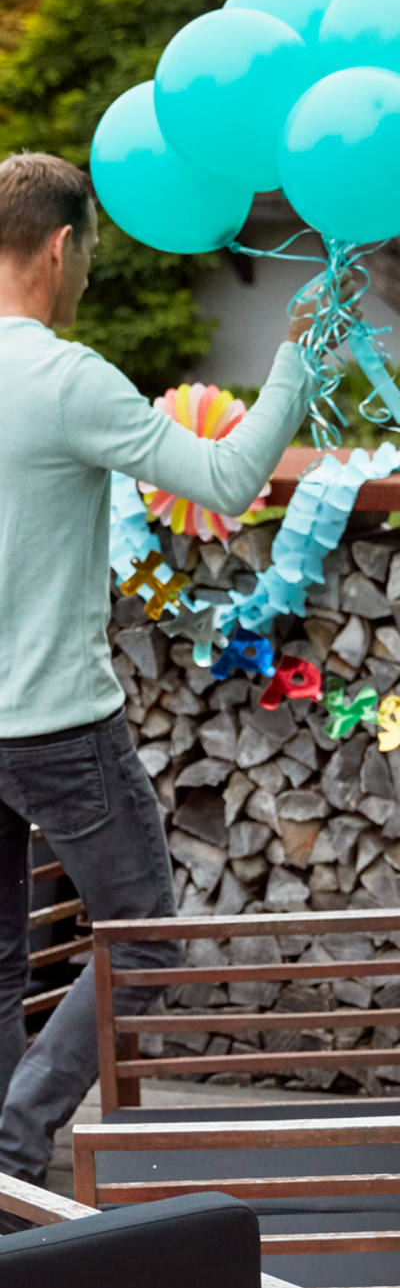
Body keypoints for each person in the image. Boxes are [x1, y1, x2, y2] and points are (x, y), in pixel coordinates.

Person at [0, 151, 357, 1185]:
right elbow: (230, 476)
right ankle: (17, 1142)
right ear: (63, 247)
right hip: (57, 724)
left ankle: (6, 1188)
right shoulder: (68, 380)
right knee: (144, 932)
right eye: (89, 255)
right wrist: (293, 354)